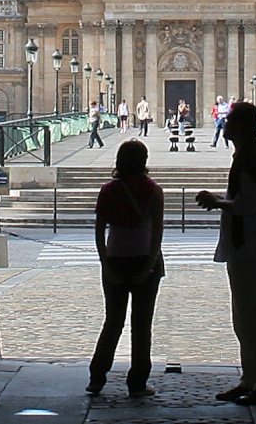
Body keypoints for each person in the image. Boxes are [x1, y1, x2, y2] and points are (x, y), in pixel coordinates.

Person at [196, 102, 256, 407]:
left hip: (249, 245)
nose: (224, 122)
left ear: (240, 127)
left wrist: (217, 202)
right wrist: (222, 202)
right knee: (243, 318)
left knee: (253, 318)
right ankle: (250, 378)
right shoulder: (248, 156)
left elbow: (249, 205)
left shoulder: (251, 159)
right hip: (245, 245)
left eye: (229, 119)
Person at [87, 140, 165, 398]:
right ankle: (138, 382)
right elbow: (157, 234)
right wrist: (151, 265)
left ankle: (97, 376)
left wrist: (105, 264)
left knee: (113, 321)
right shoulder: (154, 191)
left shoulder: (108, 190)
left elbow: (99, 232)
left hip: (115, 258)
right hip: (145, 259)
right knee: (142, 325)